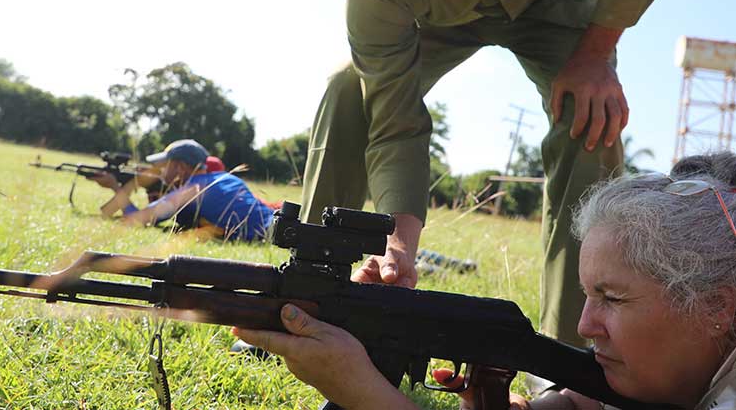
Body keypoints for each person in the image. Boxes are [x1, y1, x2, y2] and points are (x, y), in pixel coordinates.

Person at [290, 0, 683, 346]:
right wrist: (399, 248)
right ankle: (306, 298)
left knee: (589, 116)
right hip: (441, 22)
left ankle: (572, 351)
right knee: (349, 89)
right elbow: (394, 122)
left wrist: (595, 53)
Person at [235, 152, 736, 409]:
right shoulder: (669, 365)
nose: (584, 326)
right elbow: (585, 401)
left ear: (718, 307)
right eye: (588, 294)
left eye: (613, 298)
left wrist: (365, 394)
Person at [94, 139, 274, 241]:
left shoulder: (189, 191)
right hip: (278, 225)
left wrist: (115, 187)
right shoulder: (228, 177)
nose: (161, 170)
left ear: (180, 167)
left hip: (269, 236)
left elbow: (137, 220)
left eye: (165, 165)